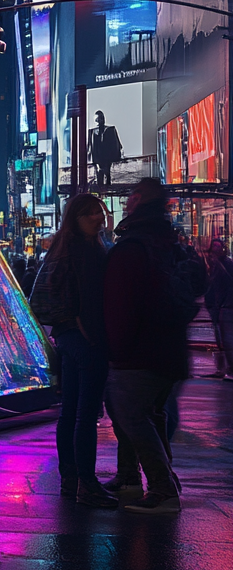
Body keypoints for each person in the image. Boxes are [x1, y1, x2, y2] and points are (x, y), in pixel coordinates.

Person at [103, 178, 190, 513]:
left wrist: (117, 351)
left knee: (132, 416)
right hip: (169, 350)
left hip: (139, 353)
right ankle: (156, 479)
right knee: (150, 416)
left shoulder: (132, 247)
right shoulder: (169, 241)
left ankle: (162, 488)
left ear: (137, 199)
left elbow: (121, 307)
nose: (125, 203)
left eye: (129, 198)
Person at [29, 194, 116, 508]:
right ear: (75, 219)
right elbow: (92, 298)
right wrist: (87, 331)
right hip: (85, 340)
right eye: (89, 213)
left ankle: (70, 478)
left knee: (69, 414)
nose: (97, 217)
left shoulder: (61, 248)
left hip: (67, 338)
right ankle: (87, 483)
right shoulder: (87, 251)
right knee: (85, 415)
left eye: (99, 211)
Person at [204, 238, 233, 381]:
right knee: (222, 339)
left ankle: (228, 369)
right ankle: (224, 368)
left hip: (224, 306)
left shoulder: (224, 264)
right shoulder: (216, 264)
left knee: (226, 340)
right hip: (220, 306)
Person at [88, 110, 123, 186]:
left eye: (100, 118)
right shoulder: (92, 132)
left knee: (107, 174)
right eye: (97, 119)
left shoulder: (110, 130)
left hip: (107, 157)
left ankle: (106, 186)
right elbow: (89, 147)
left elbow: (117, 145)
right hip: (97, 158)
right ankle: (101, 187)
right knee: (99, 174)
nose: (99, 121)